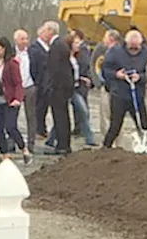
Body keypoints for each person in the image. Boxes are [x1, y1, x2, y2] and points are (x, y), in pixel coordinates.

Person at [100, 29, 147, 149]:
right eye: (131, 47)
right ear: (126, 43)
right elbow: (104, 70)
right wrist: (116, 75)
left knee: (143, 125)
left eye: (136, 48)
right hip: (119, 95)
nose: (133, 50)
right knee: (115, 126)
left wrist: (140, 77)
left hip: (138, 96)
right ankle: (105, 148)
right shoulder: (114, 52)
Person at [44, 27, 75, 155]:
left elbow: (55, 69)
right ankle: (64, 144)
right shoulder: (62, 44)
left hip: (59, 88)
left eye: (45, 31)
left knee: (60, 117)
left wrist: (51, 86)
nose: (44, 34)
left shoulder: (56, 46)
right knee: (63, 116)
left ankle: (62, 145)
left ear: (51, 31)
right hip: (64, 86)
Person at [28, 23, 60, 148]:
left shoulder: (48, 47)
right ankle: (38, 130)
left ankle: (42, 128)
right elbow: (33, 67)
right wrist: (36, 82)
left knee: (44, 107)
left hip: (47, 83)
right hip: (39, 82)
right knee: (38, 107)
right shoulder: (35, 48)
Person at [70, 30, 97, 147]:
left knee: (82, 109)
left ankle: (86, 135)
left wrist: (82, 77)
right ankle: (79, 129)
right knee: (73, 110)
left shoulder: (83, 50)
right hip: (72, 85)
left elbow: (84, 64)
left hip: (80, 85)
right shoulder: (69, 53)